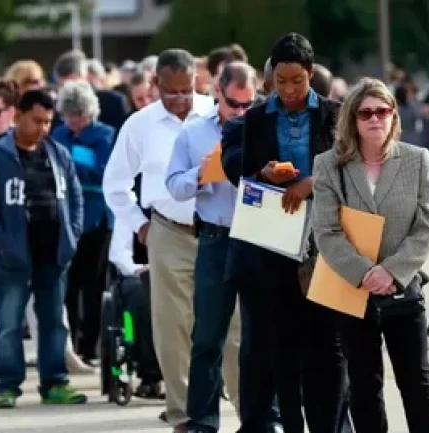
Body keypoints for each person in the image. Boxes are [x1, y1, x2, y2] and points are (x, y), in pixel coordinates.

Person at [222, 33, 347, 433]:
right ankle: (290, 424)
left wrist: (312, 182)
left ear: (311, 75)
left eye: (298, 80)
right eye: (282, 81)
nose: (290, 90)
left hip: (326, 238)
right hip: (274, 241)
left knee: (327, 345)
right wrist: (265, 174)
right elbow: (243, 175)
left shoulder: (333, 113)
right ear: (270, 78)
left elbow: (351, 167)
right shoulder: (257, 118)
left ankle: (330, 424)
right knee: (281, 344)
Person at [312, 78, 429, 432]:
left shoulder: (417, 160)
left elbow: (426, 226)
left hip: (403, 288)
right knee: (365, 386)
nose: (374, 119)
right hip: (353, 291)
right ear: (352, 119)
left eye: (382, 111)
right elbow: (325, 231)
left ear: (393, 115)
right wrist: (366, 273)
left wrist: (391, 272)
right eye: (365, 113)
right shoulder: (329, 165)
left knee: (417, 382)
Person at [102, 49, 214, 433]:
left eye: (188, 90)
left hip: (217, 231)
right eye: (172, 92)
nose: (181, 99)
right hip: (167, 231)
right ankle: (182, 413)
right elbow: (115, 185)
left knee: (229, 322)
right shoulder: (140, 125)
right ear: (156, 85)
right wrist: (140, 226)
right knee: (172, 327)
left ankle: (243, 405)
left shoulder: (215, 115)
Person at [0, 89, 86, 408]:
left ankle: (55, 383)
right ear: (18, 116)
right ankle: (7, 386)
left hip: (53, 252)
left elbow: (75, 199)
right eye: (36, 120)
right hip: (12, 255)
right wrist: (4, 243)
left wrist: (72, 237)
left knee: (53, 321)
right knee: (9, 323)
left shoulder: (58, 153)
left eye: (48, 121)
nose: (43, 128)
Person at [165, 61, 255, 433]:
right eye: (235, 104)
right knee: (208, 336)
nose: (241, 113)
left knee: (259, 333)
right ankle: (202, 420)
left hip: (256, 239)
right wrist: (201, 174)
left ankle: (265, 417)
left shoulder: (264, 125)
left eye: (248, 104)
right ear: (218, 92)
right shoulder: (194, 132)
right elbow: (173, 185)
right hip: (216, 238)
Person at [50, 80, 115, 365]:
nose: (74, 121)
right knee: (69, 285)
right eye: (69, 115)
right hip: (64, 219)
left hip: (97, 220)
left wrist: (70, 164)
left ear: (90, 113)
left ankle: (92, 346)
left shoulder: (105, 134)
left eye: (79, 115)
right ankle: (71, 346)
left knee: (93, 285)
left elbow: (104, 172)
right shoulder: (57, 134)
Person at [108, 216, 163, 398]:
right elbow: (119, 253)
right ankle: (150, 373)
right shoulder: (130, 210)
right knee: (141, 292)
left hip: (177, 271)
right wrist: (138, 268)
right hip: (137, 273)